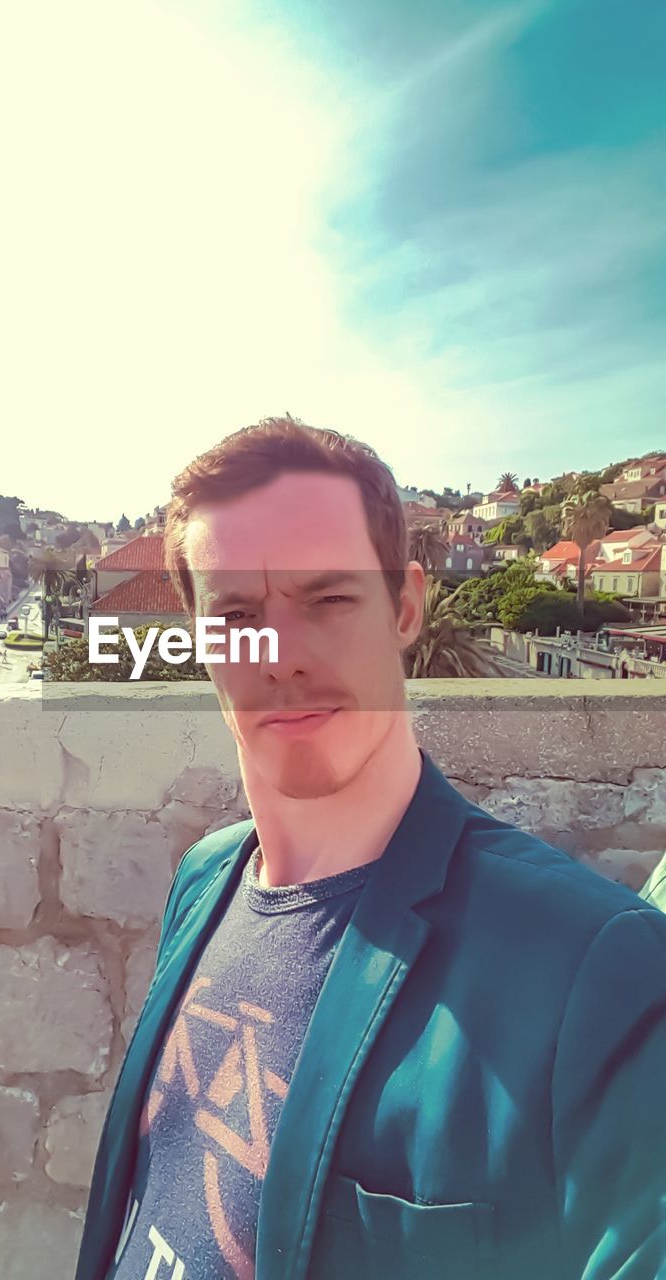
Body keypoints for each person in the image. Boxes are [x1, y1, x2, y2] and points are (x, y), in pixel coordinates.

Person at [76, 417, 666, 1280]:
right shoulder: (204, 880)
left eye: (328, 600)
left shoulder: (592, 966)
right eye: (238, 614)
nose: (282, 658)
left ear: (406, 605)